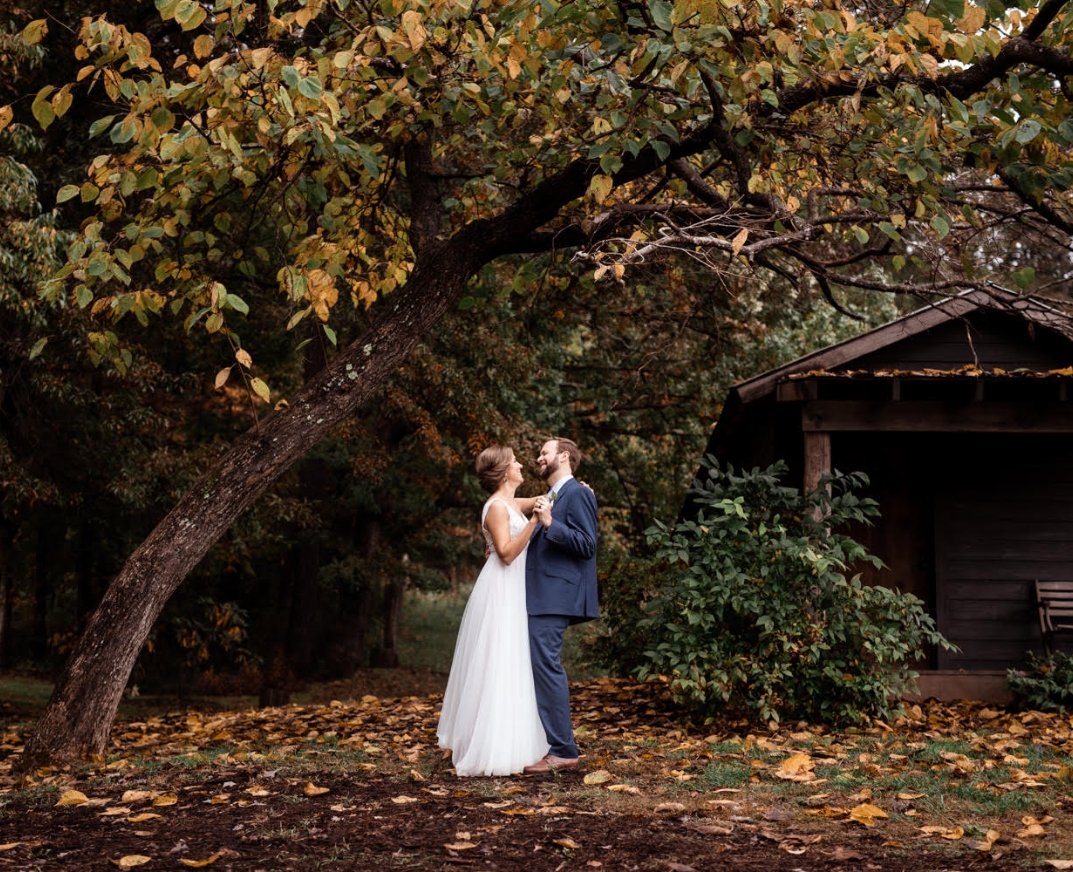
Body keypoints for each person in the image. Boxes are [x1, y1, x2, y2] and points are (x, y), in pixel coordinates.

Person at [436, 445, 550, 776]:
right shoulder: (497, 508)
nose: (520, 465)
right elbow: (505, 553)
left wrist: (565, 491)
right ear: (503, 472)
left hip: (511, 589)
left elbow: (538, 499)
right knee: (497, 661)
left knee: (510, 661)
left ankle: (511, 741)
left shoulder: (509, 502)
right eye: (514, 462)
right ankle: (490, 747)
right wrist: (535, 524)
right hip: (500, 589)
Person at [523, 437, 599, 774]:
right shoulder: (554, 495)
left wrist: (552, 524)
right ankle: (542, 742)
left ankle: (563, 750)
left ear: (564, 456)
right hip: (540, 593)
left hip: (555, 595)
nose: (538, 457)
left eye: (544, 452)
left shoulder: (577, 493)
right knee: (538, 668)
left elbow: (586, 545)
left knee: (547, 667)